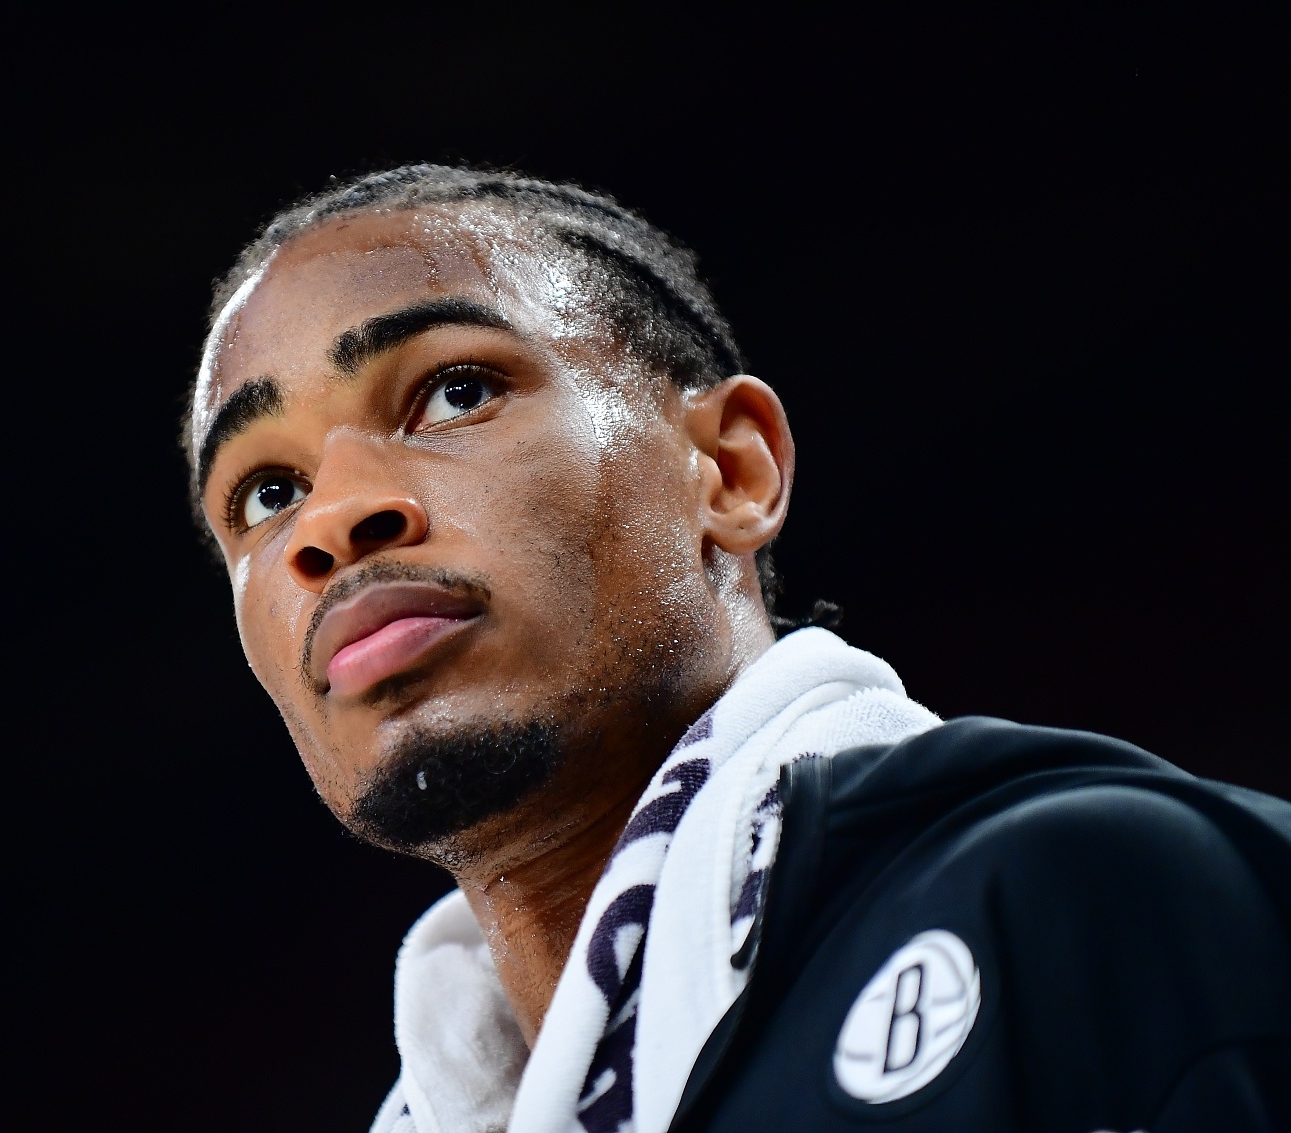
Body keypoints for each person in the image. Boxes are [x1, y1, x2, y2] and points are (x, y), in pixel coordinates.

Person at [182, 165, 1291, 1132]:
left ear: (730, 469)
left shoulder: (1088, 899)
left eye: (453, 392)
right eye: (268, 492)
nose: (331, 522)